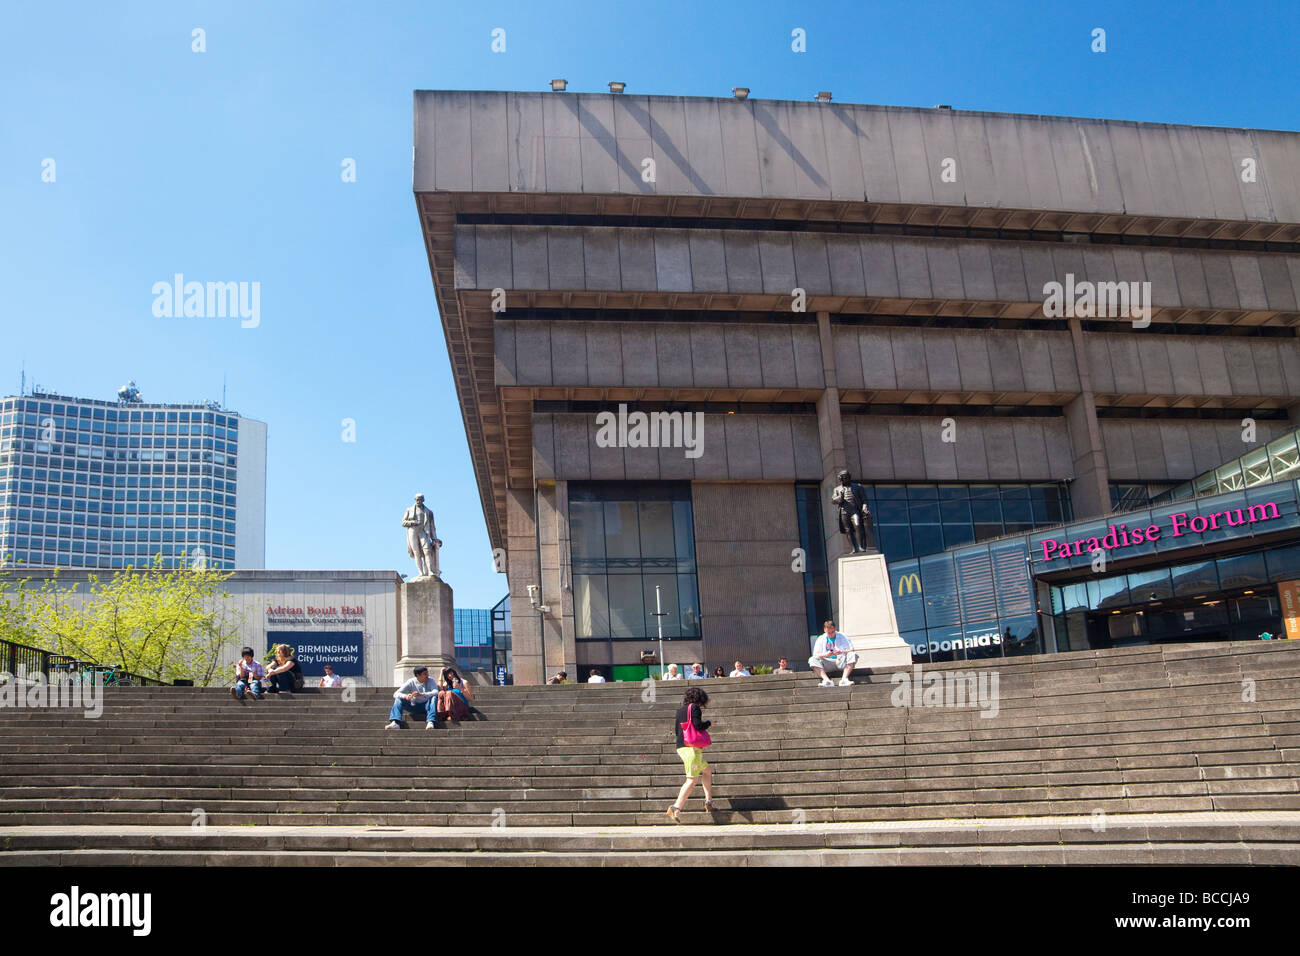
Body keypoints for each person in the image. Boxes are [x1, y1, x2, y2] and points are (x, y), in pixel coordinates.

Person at [667, 686, 715, 822]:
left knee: (707, 771)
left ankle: (708, 801)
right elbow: (698, 725)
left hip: (682, 746)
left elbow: (677, 730)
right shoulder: (694, 708)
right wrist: (709, 723)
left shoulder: (680, 710)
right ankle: (675, 807)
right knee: (691, 779)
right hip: (691, 749)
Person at [809, 620, 859, 687]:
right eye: (828, 632)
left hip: (841, 661)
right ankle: (827, 680)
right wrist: (826, 654)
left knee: (853, 655)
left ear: (835, 629)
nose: (830, 634)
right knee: (812, 659)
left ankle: (844, 679)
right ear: (824, 630)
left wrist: (841, 651)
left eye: (832, 632)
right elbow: (815, 654)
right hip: (827, 662)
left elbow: (851, 649)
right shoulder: (821, 638)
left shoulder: (842, 636)